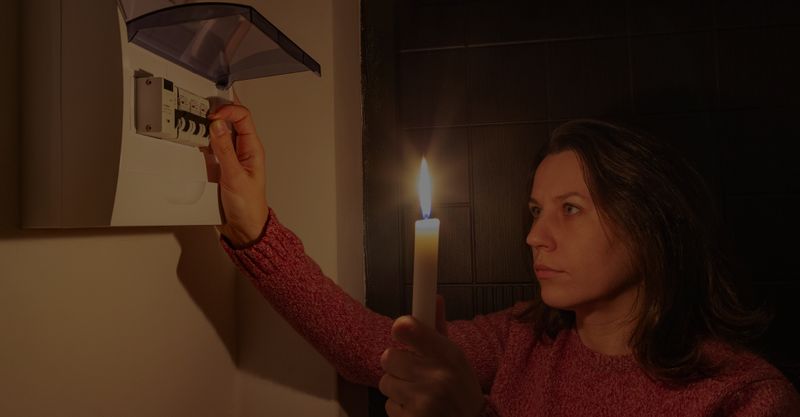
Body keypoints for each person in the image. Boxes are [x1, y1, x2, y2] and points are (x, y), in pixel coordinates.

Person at [206, 104, 800, 417]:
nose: (535, 236)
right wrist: (254, 228)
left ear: (652, 226)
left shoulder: (742, 397)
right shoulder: (523, 338)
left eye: (570, 209)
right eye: (536, 209)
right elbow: (371, 350)